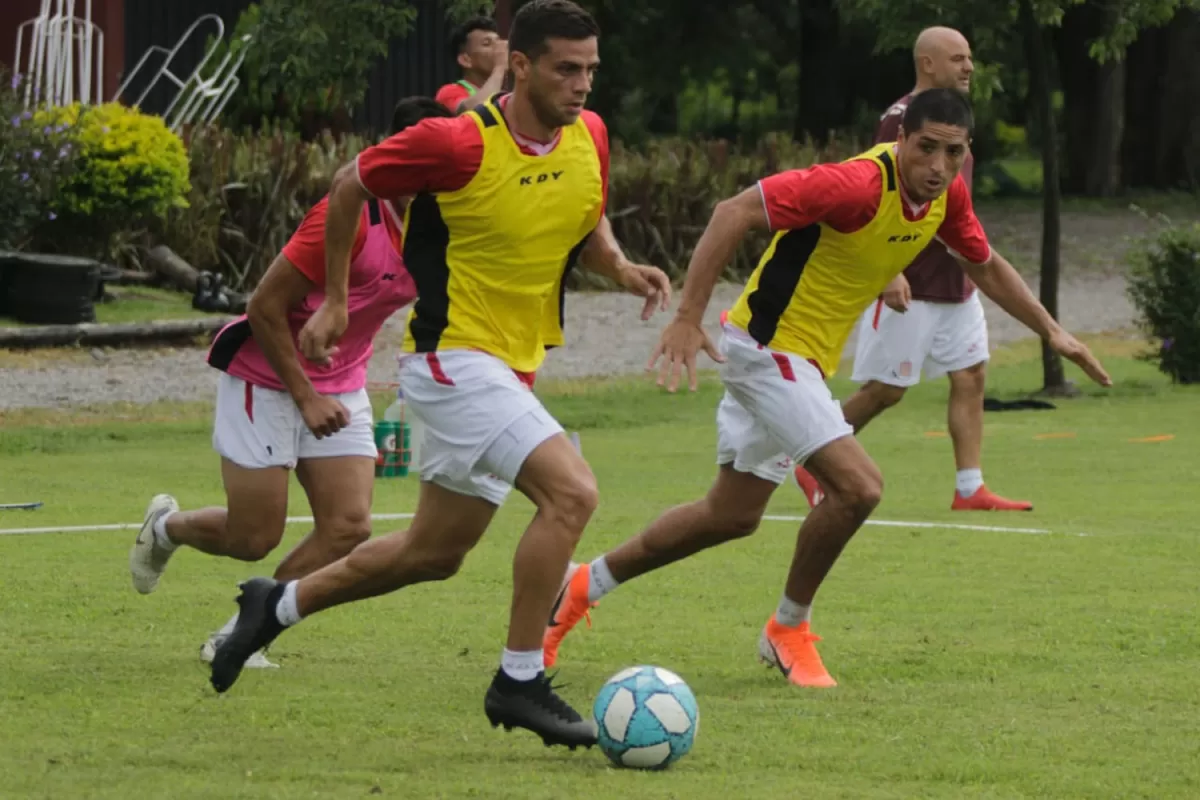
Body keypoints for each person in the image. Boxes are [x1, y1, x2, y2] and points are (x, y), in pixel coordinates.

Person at [207, 0, 672, 751]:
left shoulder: (589, 134)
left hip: (511, 369)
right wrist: (329, 298)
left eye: (590, 69)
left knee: (433, 553)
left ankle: (275, 606)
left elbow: (584, 211)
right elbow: (349, 181)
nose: (582, 84)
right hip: (452, 359)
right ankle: (519, 680)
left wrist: (616, 264)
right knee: (573, 492)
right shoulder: (455, 143)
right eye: (565, 68)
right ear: (518, 66)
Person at [542, 88, 1111, 689]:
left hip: (799, 362)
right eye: (926, 149)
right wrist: (687, 318)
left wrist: (1054, 332)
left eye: (953, 152)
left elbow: (986, 265)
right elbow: (732, 212)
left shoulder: (947, 198)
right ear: (901, 141)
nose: (938, 167)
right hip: (765, 353)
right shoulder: (856, 184)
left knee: (729, 515)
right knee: (859, 488)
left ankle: (583, 585)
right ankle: (787, 629)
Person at [128, 97, 454, 668]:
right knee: (253, 537)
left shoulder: (446, 225)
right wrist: (304, 396)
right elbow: (262, 307)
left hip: (343, 380)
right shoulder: (349, 217)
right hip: (266, 374)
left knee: (348, 526)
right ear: (399, 160)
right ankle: (166, 527)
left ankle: (243, 633)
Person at [792, 27, 1030, 512]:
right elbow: (871, 194)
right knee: (886, 390)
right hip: (913, 282)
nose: (968, 67)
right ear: (927, 64)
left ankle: (970, 488)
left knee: (971, 375)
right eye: (959, 58)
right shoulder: (901, 121)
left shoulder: (953, 117)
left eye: (970, 58)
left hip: (956, 280)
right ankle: (810, 456)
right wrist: (887, 273)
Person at [435, 15, 508, 114]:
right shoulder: (450, 92)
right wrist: (499, 68)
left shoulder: (506, 92)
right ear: (465, 60)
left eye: (498, 42)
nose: (499, 48)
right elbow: (475, 114)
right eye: (487, 44)